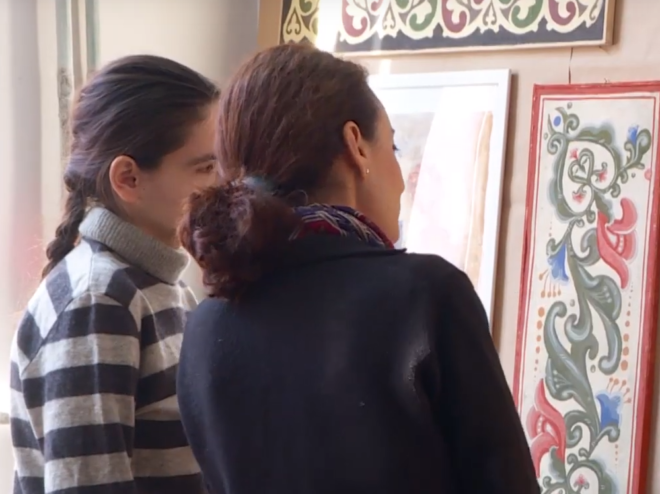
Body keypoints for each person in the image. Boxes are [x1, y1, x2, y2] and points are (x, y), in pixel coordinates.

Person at [175, 44, 538, 493]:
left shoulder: (205, 325)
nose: (402, 180)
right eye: (394, 146)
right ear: (356, 146)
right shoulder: (426, 297)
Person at [9, 55, 219, 494]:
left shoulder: (163, 287)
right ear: (128, 179)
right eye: (205, 168)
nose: (224, 184)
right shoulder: (99, 300)